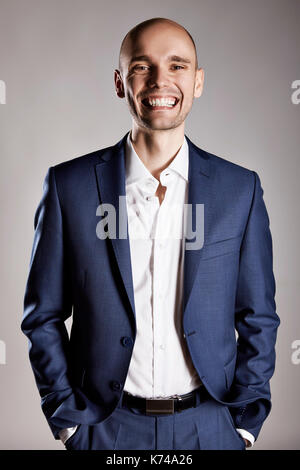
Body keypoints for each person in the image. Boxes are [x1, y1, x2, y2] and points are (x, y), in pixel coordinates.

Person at [21, 17, 280, 450]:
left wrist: (244, 425)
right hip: (106, 427)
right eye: (143, 66)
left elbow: (258, 316)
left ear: (198, 82)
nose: (161, 80)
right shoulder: (70, 186)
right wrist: (68, 421)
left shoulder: (240, 190)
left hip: (210, 428)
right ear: (121, 83)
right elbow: (42, 314)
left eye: (177, 66)